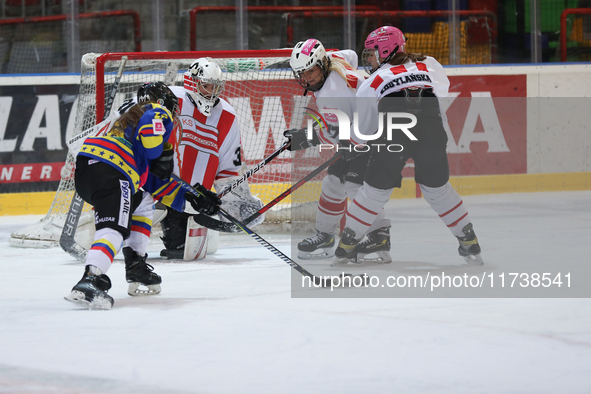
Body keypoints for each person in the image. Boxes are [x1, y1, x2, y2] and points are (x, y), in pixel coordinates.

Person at [65, 83, 222, 310]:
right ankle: (90, 278)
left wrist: (193, 198)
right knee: (115, 228)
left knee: (143, 201)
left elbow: (154, 183)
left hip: (91, 171)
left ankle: (136, 265)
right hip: (112, 169)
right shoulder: (156, 111)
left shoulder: (129, 118)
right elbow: (152, 132)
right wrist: (161, 153)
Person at [334, 26, 483, 265]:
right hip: (432, 128)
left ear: (385, 49)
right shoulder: (429, 64)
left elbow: (365, 130)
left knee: (375, 190)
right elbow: (440, 90)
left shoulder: (373, 81)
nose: (369, 59)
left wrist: (349, 144)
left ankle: (347, 244)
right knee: (437, 189)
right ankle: (469, 240)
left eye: (371, 53)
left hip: (395, 128)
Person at [285, 38, 392, 263]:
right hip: (366, 124)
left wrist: (303, 138)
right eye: (301, 74)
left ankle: (379, 236)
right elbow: (351, 54)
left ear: (322, 64)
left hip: (373, 133)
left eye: (311, 72)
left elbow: (335, 134)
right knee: (333, 181)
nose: (306, 78)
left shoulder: (332, 95)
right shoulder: (335, 58)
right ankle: (325, 236)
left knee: (354, 186)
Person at [158, 58, 263, 260]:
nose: (212, 92)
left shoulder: (227, 115)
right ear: (192, 82)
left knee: (179, 252)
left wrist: (237, 202)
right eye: (207, 86)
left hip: (192, 199)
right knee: (127, 228)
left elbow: (228, 168)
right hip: (154, 183)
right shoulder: (170, 98)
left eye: (217, 87)